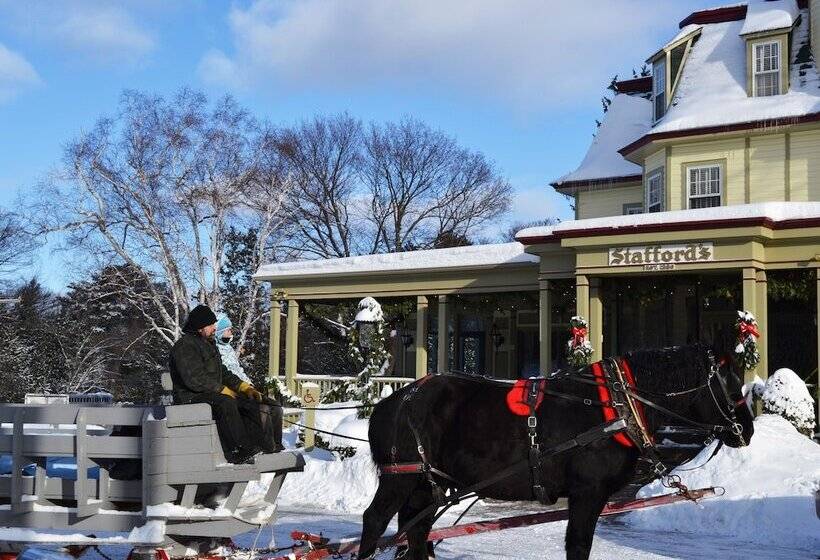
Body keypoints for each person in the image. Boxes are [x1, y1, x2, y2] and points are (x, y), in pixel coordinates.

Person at [169, 304, 267, 464]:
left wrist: (243, 387)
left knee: (247, 400)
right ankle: (237, 450)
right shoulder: (185, 346)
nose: (214, 328)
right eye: (210, 325)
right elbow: (194, 379)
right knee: (225, 402)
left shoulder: (207, 345)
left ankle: (258, 444)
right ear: (200, 327)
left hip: (208, 394)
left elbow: (223, 373)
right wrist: (221, 389)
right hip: (189, 397)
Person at [215, 313, 283, 452]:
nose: (231, 333)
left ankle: (277, 443)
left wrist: (248, 384)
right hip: (232, 391)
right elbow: (224, 375)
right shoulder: (214, 351)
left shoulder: (228, 349)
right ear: (219, 332)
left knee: (275, 407)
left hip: (244, 387)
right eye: (228, 330)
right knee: (262, 409)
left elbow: (238, 369)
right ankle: (266, 445)